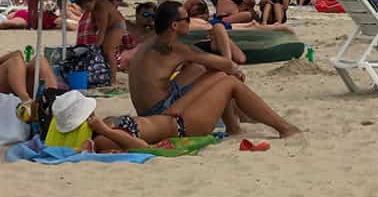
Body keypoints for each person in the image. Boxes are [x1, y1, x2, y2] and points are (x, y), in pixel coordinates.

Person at [70, 71, 300, 150]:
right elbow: (142, 147)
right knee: (231, 85)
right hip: (184, 128)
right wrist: (106, 131)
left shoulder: (102, 125)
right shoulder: (101, 140)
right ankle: (284, 128)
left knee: (221, 76)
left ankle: (234, 127)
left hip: (171, 116)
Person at [126, 1, 244, 118]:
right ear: (174, 25)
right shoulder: (174, 47)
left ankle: (238, 115)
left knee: (196, 68)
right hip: (160, 110)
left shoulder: (153, 40)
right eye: (187, 19)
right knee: (220, 76)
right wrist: (234, 70)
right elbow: (227, 65)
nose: (190, 22)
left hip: (145, 110)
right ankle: (234, 124)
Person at [73, 0, 126, 85]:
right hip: (108, 27)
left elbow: (102, 29)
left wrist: (96, 46)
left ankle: (113, 80)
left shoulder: (102, 7)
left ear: (93, 0)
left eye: (87, 6)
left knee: (108, 51)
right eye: (83, 8)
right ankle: (106, 74)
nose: (86, 9)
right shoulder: (94, 6)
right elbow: (93, 19)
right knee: (103, 51)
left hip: (116, 26)